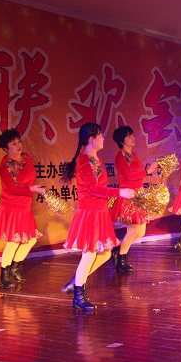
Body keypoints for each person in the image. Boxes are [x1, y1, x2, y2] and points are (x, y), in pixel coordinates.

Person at [61, 122, 135, 311]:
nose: (103, 139)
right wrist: (120, 192)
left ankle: (76, 282)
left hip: (100, 211)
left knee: (105, 253)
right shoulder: (84, 160)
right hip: (89, 212)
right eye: (100, 136)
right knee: (90, 253)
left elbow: (100, 187)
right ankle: (78, 295)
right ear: (91, 139)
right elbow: (93, 189)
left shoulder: (97, 160)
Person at [0, 129, 46, 288]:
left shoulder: (27, 158)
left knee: (31, 239)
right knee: (13, 241)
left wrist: (34, 189)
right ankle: (3, 276)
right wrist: (32, 189)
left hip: (25, 205)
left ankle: (14, 269)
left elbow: (28, 178)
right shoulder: (5, 165)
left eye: (19, 141)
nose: (18, 145)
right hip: (12, 206)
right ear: (5, 148)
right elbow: (13, 188)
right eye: (13, 144)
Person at [108, 125, 158, 273]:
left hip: (138, 196)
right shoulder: (120, 156)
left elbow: (137, 175)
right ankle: (121, 259)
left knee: (141, 232)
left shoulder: (134, 155)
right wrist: (148, 171)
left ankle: (119, 250)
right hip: (128, 196)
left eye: (132, 135)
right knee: (133, 230)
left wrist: (147, 173)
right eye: (129, 136)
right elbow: (129, 176)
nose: (132, 138)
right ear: (122, 140)